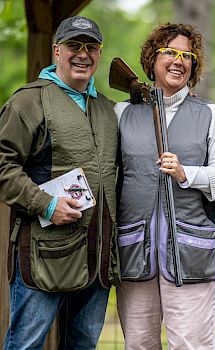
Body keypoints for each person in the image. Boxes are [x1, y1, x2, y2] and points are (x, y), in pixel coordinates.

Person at [114, 23, 215, 349]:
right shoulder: (122, 112)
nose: (178, 61)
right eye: (169, 52)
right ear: (151, 59)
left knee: (190, 345)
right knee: (139, 345)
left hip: (190, 253)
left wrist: (186, 174)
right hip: (133, 253)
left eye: (186, 55)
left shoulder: (211, 114)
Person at [0, 16, 119, 349]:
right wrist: (46, 204)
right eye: (73, 46)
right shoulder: (28, 101)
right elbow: (2, 165)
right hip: (44, 256)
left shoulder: (107, 109)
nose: (82, 54)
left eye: (91, 47)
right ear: (56, 51)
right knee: (26, 344)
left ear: (99, 53)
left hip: (96, 260)